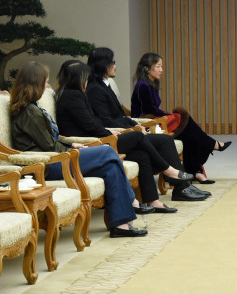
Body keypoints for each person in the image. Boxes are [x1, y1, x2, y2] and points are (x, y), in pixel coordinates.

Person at [9, 61, 146, 238]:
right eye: (45, 82)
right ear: (35, 83)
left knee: (110, 166)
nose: (47, 86)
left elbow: (51, 139)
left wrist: (71, 145)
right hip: (47, 165)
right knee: (107, 151)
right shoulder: (29, 112)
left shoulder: (32, 107)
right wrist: (70, 149)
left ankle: (120, 224)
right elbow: (50, 146)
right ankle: (131, 201)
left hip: (56, 157)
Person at [55, 60, 203, 207]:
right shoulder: (72, 96)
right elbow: (90, 125)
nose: (88, 79)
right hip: (93, 143)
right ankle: (169, 171)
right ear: (79, 78)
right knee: (141, 136)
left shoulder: (74, 94)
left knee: (143, 154)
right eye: (86, 76)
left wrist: (111, 130)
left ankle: (153, 200)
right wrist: (110, 132)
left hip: (100, 138)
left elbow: (93, 122)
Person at [84, 49, 211, 201]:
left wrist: (137, 125)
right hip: (115, 137)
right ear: (104, 65)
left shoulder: (105, 85)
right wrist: (134, 128)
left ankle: (175, 189)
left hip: (126, 131)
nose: (115, 66)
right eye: (113, 62)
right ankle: (179, 184)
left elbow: (121, 115)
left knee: (158, 145)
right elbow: (106, 120)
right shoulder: (95, 89)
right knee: (165, 140)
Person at [131, 52, 231, 183]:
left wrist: (171, 116)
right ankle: (211, 146)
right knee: (185, 120)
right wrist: (171, 116)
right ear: (147, 68)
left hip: (155, 121)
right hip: (147, 125)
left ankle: (196, 169)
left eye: (162, 66)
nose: (161, 70)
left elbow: (155, 110)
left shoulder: (151, 83)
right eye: (158, 66)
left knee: (189, 135)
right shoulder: (142, 85)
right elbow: (150, 111)